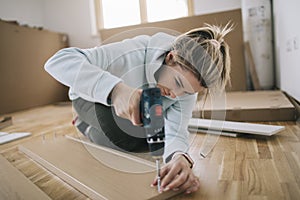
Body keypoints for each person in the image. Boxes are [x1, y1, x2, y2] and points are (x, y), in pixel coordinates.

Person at [44, 23, 232, 195]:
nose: (176, 95)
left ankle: (99, 131)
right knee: (127, 135)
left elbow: (177, 131)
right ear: (171, 57)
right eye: (177, 82)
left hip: (135, 112)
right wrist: (115, 90)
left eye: (187, 92)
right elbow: (58, 61)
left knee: (155, 139)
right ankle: (83, 123)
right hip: (88, 98)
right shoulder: (133, 52)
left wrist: (180, 157)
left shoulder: (184, 89)